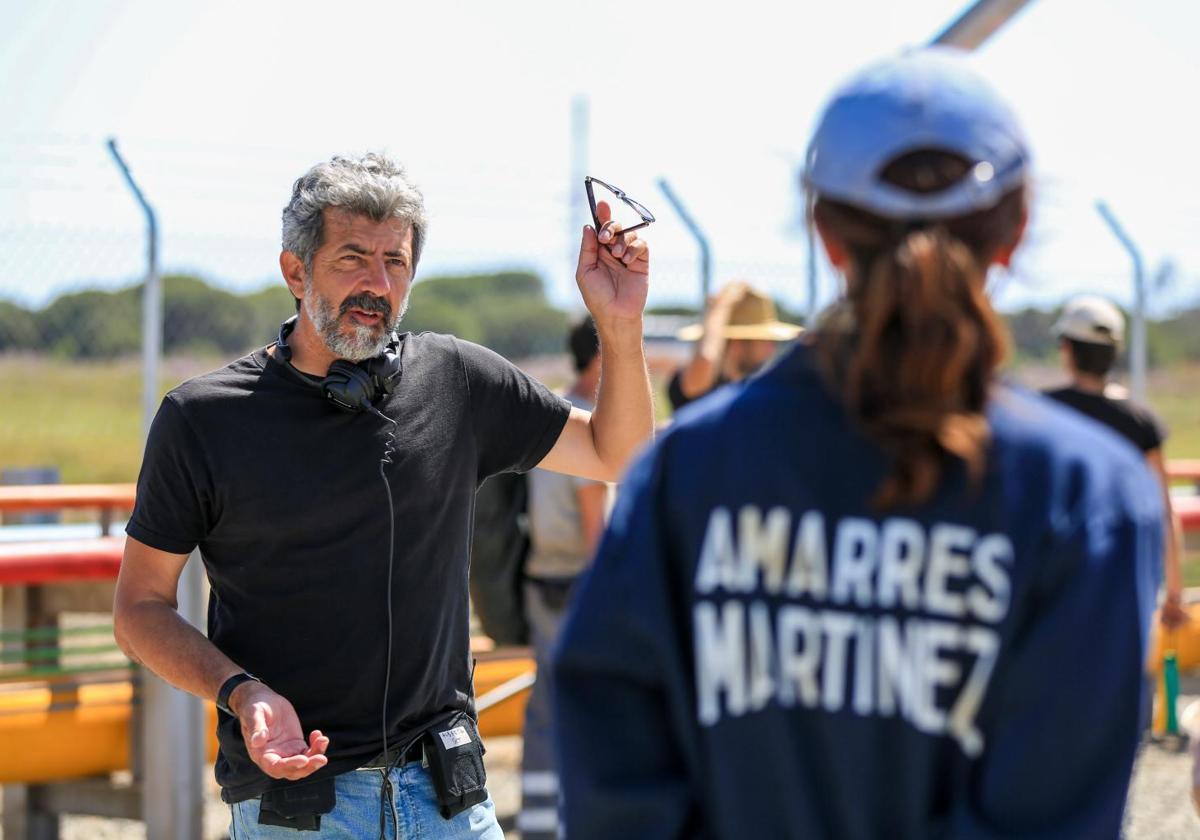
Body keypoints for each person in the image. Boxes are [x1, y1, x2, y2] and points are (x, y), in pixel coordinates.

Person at [553, 48, 1163, 840]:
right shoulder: (1086, 499)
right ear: (1017, 227)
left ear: (823, 229)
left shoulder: (690, 471)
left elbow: (611, 772)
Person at [111, 152, 654, 838]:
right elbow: (138, 608)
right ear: (294, 270)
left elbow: (621, 453)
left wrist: (621, 323)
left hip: (452, 803)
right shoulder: (203, 418)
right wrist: (238, 691)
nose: (377, 283)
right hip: (299, 810)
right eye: (352, 258)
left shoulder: (456, 380)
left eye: (395, 263)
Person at [517, 315, 608, 840]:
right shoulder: (591, 427)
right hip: (579, 584)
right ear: (600, 358)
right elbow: (597, 530)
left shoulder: (550, 412)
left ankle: (537, 821)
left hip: (539, 580)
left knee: (545, 708)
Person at [1044, 295, 1187, 629]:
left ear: (1067, 348)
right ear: (1114, 353)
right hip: (1121, 587)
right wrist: (1175, 595)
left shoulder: (1042, 413)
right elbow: (1165, 512)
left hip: (1056, 588)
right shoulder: (1140, 422)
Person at [667, 281, 802, 411]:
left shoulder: (755, 390)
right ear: (737, 344)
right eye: (766, 341)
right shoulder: (697, 383)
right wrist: (721, 306)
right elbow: (705, 360)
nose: (772, 349)